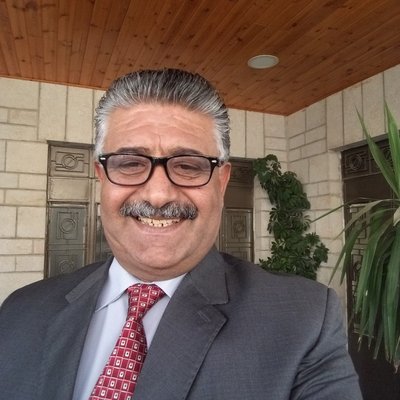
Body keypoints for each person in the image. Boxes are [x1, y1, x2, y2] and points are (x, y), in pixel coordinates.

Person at [0, 68, 362, 400]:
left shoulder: (302, 321)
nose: (158, 195)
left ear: (221, 182)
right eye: (130, 163)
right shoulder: (21, 311)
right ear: (101, 178)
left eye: (188, 166)